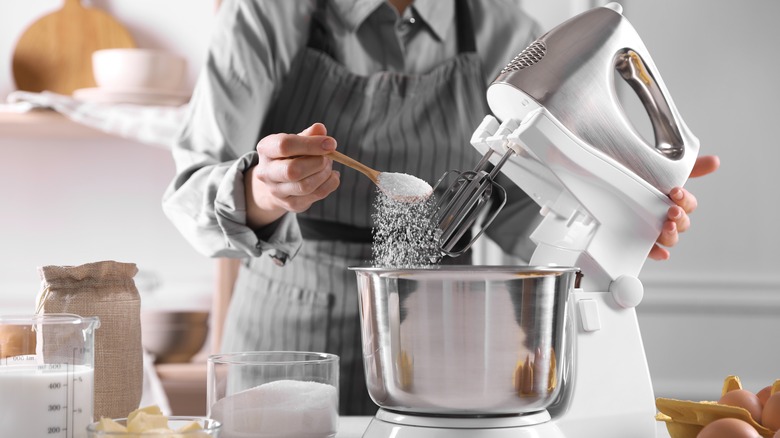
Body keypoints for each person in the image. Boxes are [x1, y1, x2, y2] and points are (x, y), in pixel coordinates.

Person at [163, 0, 720, 415]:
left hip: (447, 338)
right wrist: (262, 191)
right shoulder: (267, 14)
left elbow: (526, 216)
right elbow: (189, 192)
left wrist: (610, 208)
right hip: (288, 335)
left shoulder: (508, 35)